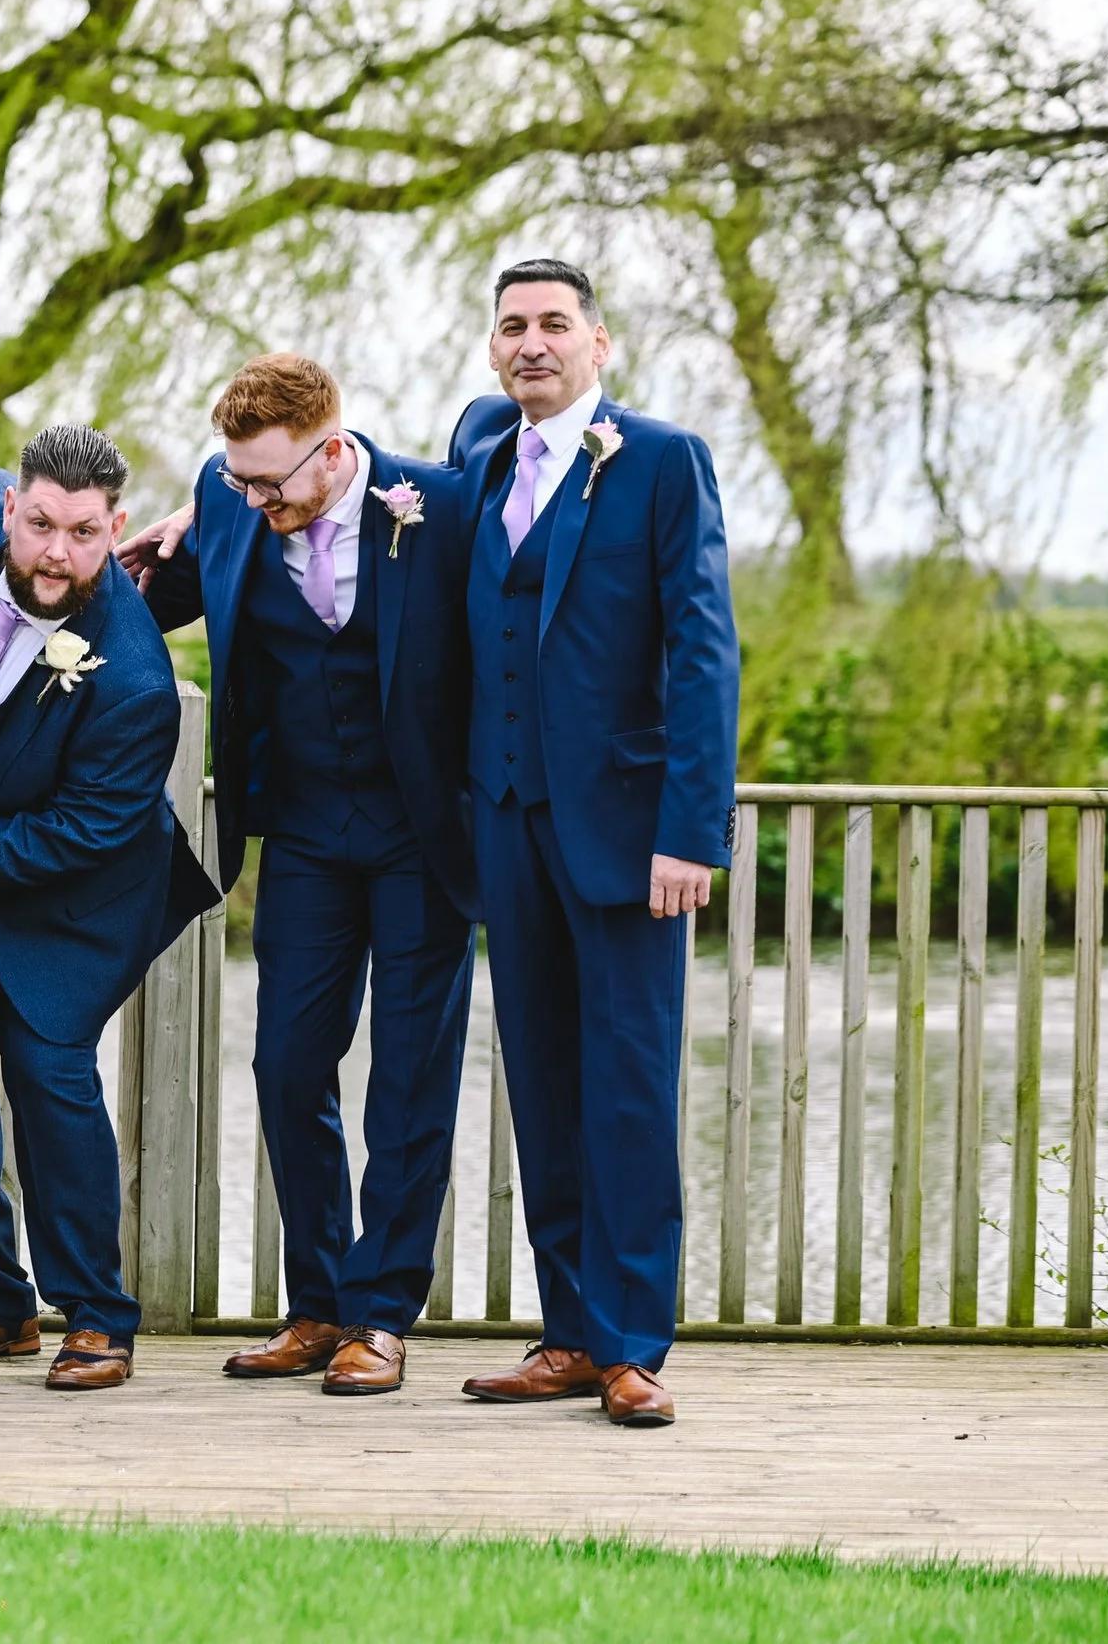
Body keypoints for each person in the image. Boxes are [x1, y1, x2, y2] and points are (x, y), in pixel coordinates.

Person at [112, 355, 477, 1395]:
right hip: (306, 834)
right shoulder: (228, 500)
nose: (254, 498)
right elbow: (155, 597)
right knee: (285, 1065)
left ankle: (380, 1313)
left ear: (334, 449)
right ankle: (316, 1303)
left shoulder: (441, 507)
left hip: (421, 838)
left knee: (408, 1078)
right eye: (237, 479)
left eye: (271, 481)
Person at [0, 423, 221, 1392]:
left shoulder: (134, 680)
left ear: (116, 527)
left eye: (85, 533)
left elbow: (80, 835)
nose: (58, 553)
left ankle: (98, 1316)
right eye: (41, 525)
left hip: (76, 898)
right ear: (11, 507)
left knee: (47, 1070)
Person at [447, 258, 740, 1427]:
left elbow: (703, 648)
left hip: (627, 837)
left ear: (598, 344)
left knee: (625, 1088)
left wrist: (690, 831)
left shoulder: (662, 459)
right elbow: (349, 473)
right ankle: (567, 1332)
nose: (532, 342)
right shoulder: (479, 455)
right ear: (492, 349)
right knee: (542, 1083)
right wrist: (210, 505)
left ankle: (630, 1346)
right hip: (506, 823)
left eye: (554, 324)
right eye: (512, 325)